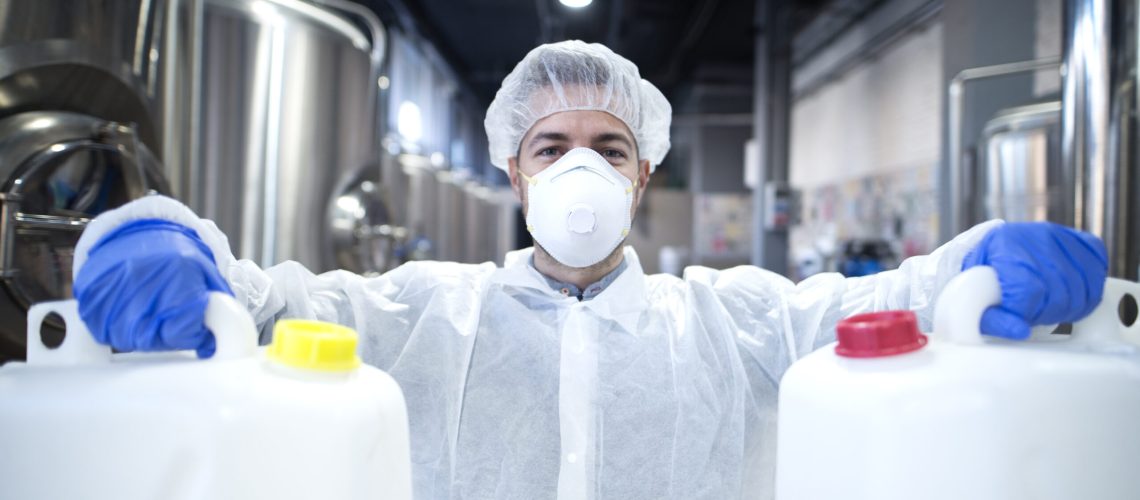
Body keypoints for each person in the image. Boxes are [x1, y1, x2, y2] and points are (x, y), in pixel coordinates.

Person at [71, 40, 1107, 500]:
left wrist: (979, 262)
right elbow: (276, 298)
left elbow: (868, 306)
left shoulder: (727, 318)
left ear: (644, 171)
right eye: (551, 146)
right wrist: (152, 239)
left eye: (607, 148)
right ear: (515, 173)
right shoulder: (427, 311)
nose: (580, 170)